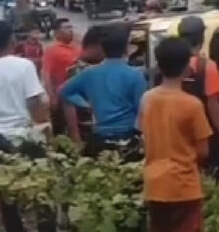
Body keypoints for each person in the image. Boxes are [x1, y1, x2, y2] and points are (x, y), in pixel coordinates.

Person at [140, 37, 213, 232]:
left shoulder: (147, 99)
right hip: (184, 187)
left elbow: (144, 137)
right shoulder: (191, 105)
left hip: (154, 184)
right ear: (187, 66)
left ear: (159, 66)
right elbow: (203, 151)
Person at [59, 24, 147, 160]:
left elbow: (64, 92)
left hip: (100, 140)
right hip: (128, 139)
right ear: (126, 48)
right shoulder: (135, 75)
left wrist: (85, 104)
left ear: (103, 48)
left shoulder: (89, 73)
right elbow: (141, 111)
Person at [0, 21, 48, 232]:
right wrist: (45, 135)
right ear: (11, 41)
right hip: (26, 137)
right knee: (41, 193)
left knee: (7, 198)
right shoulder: (24, 66)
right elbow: (35, 103)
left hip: (1, 142)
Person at [177, 16, 219, 160]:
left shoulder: (170, 64)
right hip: (203, 134)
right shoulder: (207, 66)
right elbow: (213, 105)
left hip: (176, 132)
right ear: (202, 38)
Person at [62, 26, 106, 143]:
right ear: (94, 46)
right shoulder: (76, 70)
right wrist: (75, 136)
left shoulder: (100, 66)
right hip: (87, 131)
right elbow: (68, 105)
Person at [41, 18, 80, 135]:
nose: (70, 30)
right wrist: (52, 97)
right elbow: (46, 73)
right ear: (57, 32)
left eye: (71, 27)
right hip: (62, 99)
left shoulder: (76, 47)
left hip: (79, 97)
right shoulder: (52, 51)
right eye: (66, 28)